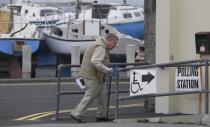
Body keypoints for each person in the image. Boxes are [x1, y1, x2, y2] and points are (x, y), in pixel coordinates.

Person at [70, 33, 119, 123]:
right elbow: (95, 61)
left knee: (103, 94)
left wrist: (105, 69)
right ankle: (76, 113)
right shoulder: (101, 47)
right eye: (115, 43)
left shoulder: (99, 44)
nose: (115, 46)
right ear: (110, 40)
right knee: (91, 94)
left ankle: (101, 116)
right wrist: (107, 69)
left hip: (94, 74)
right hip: (91, 75)